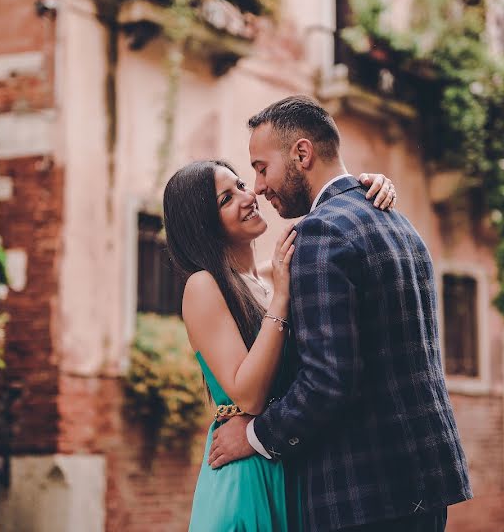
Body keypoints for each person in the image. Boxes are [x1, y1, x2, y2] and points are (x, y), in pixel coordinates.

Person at [207, 95, 472, 531]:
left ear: (302, 153)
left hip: (361, 494)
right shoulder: (399, 223)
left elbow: (328, 380)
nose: (257, 186)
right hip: (425, 483)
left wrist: (253, 437)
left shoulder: (322, 231)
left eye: (260, 167)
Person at [163, 157, 398, 531]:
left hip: (290, 463)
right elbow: (249, 396)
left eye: (239, 185)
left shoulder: (278, 273)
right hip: (246, 474)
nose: (247, 196)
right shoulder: (204, 286)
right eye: (225, 200)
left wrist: (371, 187)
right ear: (202, 225)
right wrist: (282, 298)